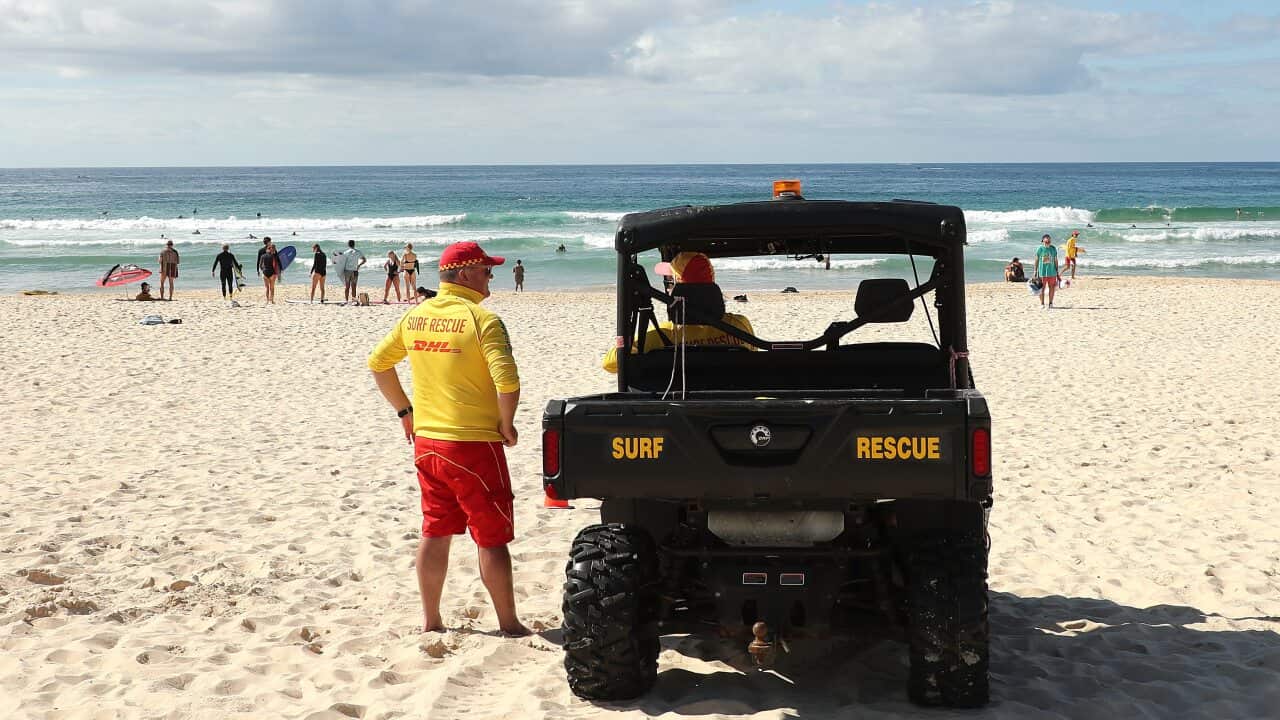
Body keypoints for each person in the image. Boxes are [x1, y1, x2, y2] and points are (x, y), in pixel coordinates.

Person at [367, 241, 530, 637]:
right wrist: (506, 423)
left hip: (427, 444)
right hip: (472, 444)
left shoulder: (416, 316)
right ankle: (509, 624)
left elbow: (378, 363)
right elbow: (507, 381)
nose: (491, 275)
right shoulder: (483, 320)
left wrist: (405, 412)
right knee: (491, 537)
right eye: (485, 269)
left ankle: (431, 620)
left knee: (435, 529)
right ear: (463, 275)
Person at [602, 252, 755, 373]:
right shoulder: (740, 326)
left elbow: (610, 363)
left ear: (678, 289)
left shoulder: (662, 335)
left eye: (670, 281)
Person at [1033, 234, 1061, 309]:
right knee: (1041, 288)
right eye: (1046, 240)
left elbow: (1055, 260)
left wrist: (1057, 271)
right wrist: (1035, 271)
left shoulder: (1053, 248)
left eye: (1049, 240)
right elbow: (1036, 260)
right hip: (1042, 272)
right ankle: (1042, 304)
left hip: (1052, 272)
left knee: (1052, 287)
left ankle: (1051, 303)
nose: (1048, 241)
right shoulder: (1040, 249)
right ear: (1043, 241)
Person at [338, 239, 367, 304]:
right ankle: (354, 301)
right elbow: (364, 260)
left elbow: (342, 262)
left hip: (347, 271)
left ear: (348, 245)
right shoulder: (358, 252)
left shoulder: (346, 252)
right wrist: (359, 265)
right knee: (354, 287)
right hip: (355, 271)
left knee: (347, 286)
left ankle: (346, 300)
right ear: (354, 244)